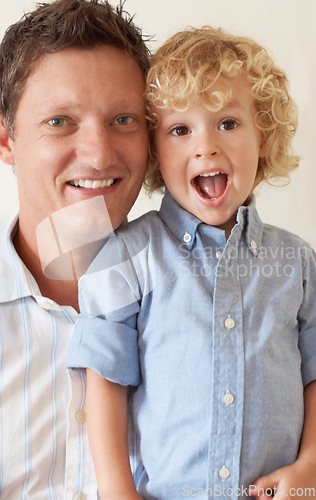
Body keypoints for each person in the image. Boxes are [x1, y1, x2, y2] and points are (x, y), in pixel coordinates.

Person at [66, 27, 316, 500]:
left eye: (227, 123)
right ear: (157, 151)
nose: (206, 146)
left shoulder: (298, 262)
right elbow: (105, 381)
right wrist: (118, 493)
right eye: (180, 130)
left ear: (263, 135)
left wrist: (311, 467)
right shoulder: (126, 255)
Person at [0, 0, 150, 497]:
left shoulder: (227, 299)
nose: (99, 153)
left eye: (124, 119)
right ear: (6, 140)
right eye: (60, 121)